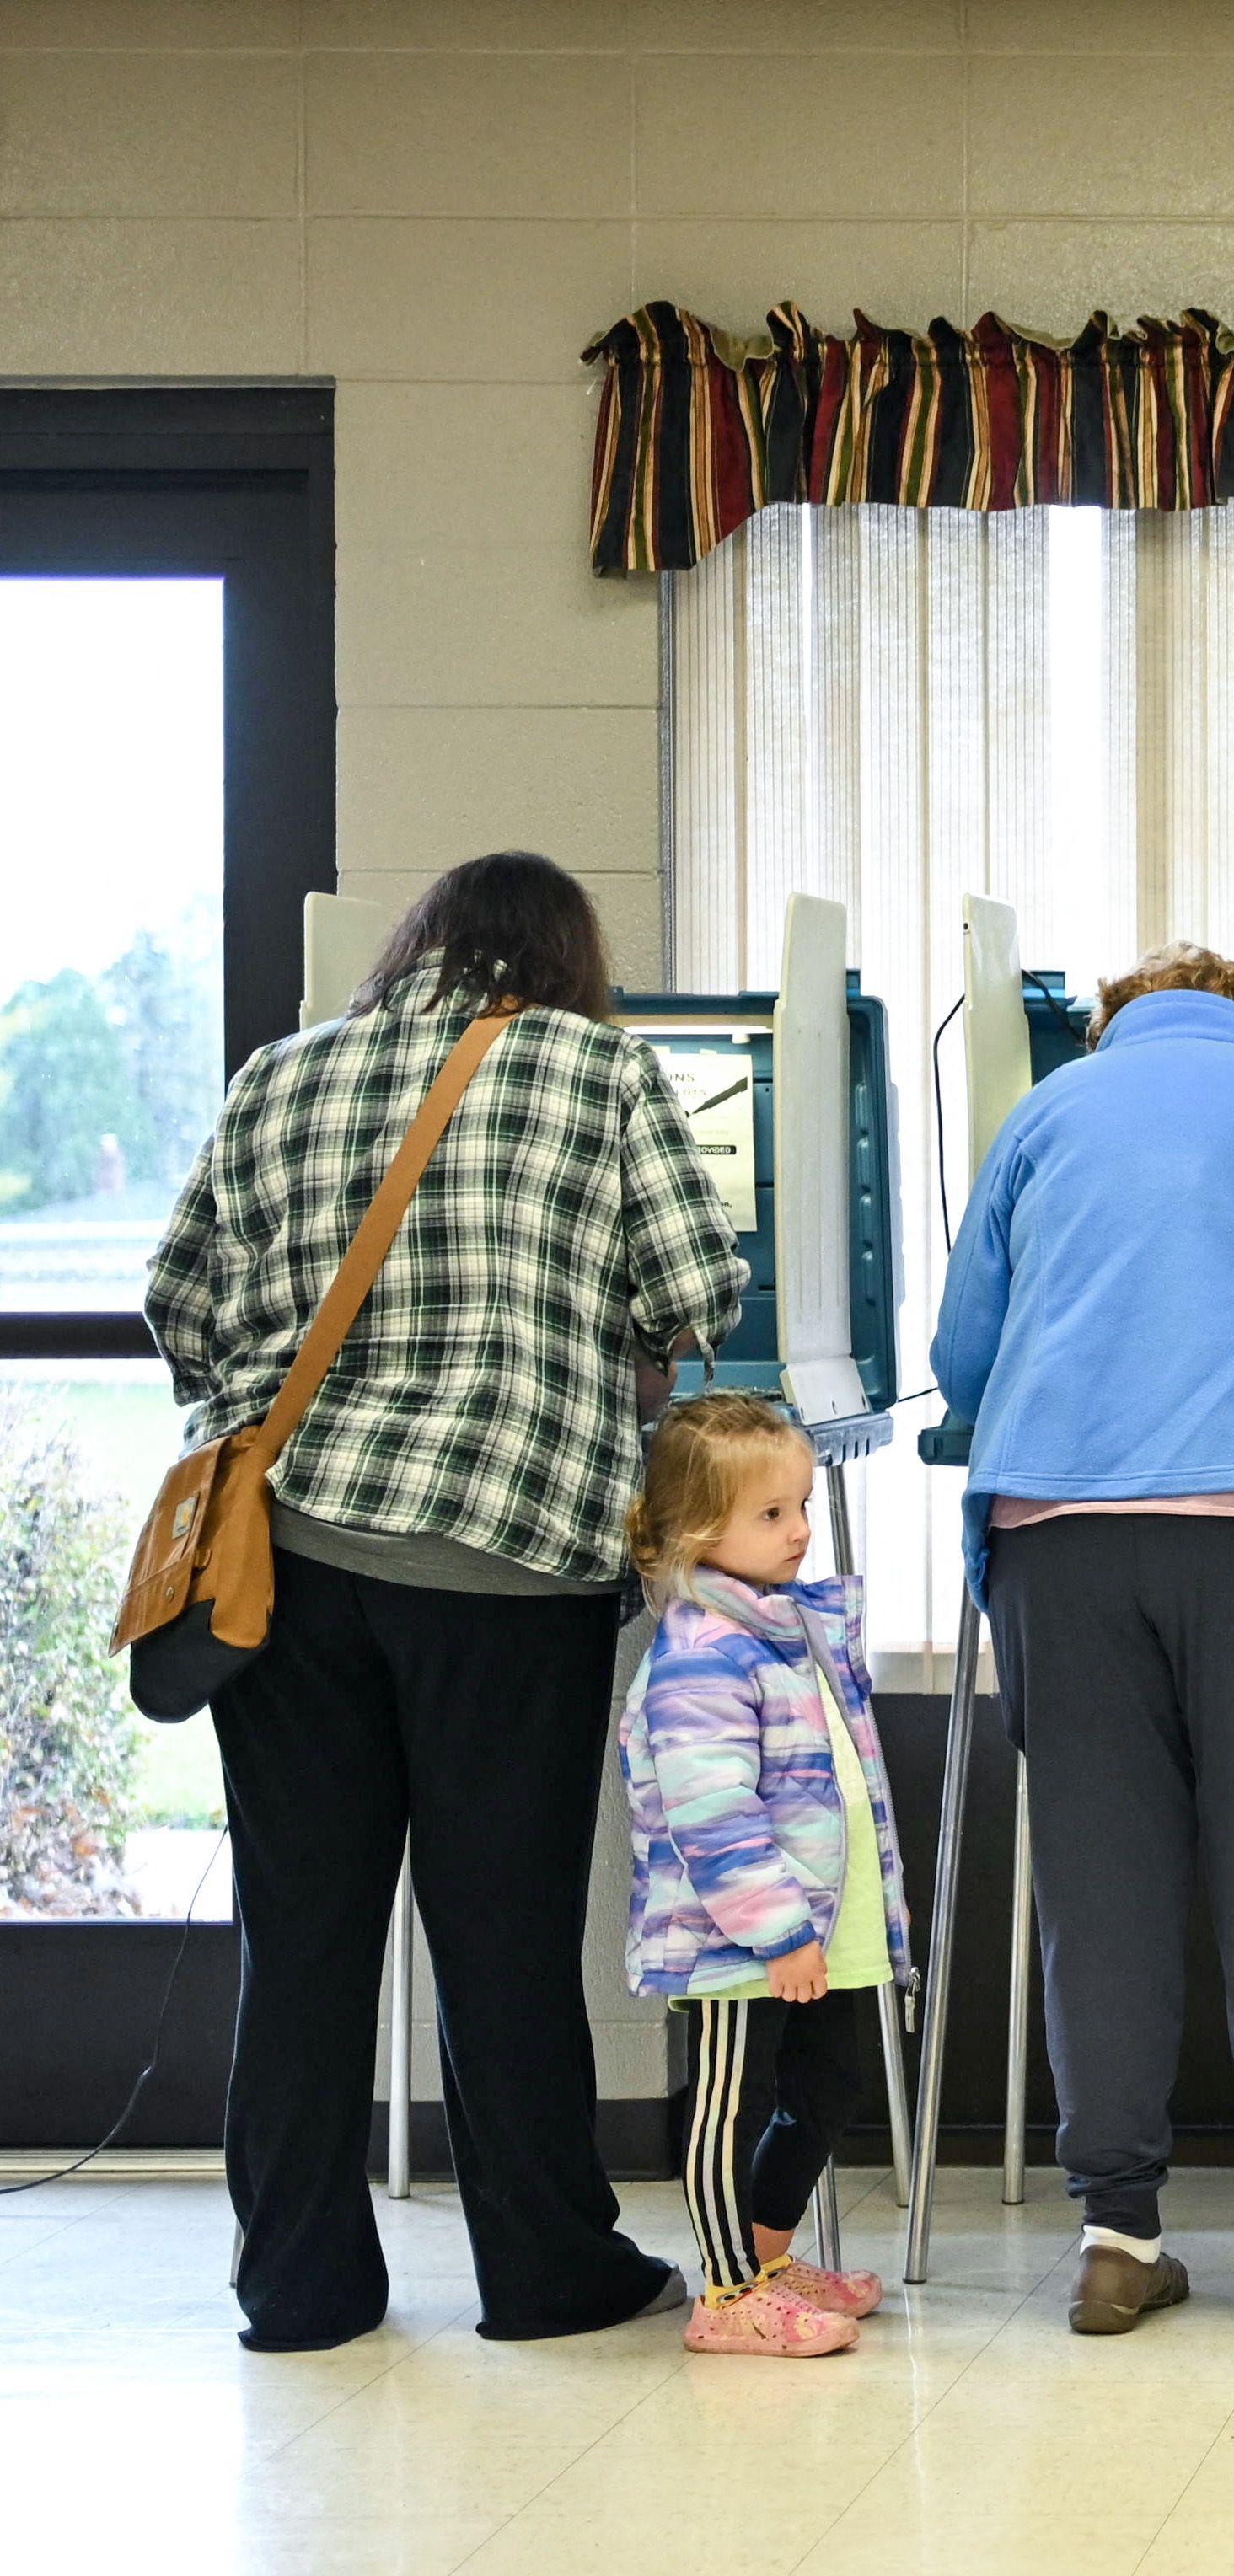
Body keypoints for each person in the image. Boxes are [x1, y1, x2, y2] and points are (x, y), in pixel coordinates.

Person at [143, 850, 738, 2353]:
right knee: (503, 1932)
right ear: (564, 959)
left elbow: (183, 1295)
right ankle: (544, 2271)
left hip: (293, 1563)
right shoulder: (601, 1072)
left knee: (305, 1940)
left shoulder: (286, 1071)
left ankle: (300, 2288)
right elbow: (695, 1288)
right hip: (504, 1564)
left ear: (417, 946)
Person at [930, 943, 1234, 2338]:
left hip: (1061, 1535)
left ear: (1112, 1026)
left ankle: (1114, 2234)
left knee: (1097, 1891)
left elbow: (962, 1357)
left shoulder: (1042, 1114)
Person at [616, 1392, 904, 2359]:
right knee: (727, 2110)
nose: (800, 1530)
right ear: (699, 1530)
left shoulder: (785, 1629)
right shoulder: (702, 1654)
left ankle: (766, 2260)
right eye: (771, 1514)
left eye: (802, 1505)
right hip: (739, 1943)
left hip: (812, 1934)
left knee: (829, 2088)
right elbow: (714, 1815)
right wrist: (777, 1928)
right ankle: (726, 2293)